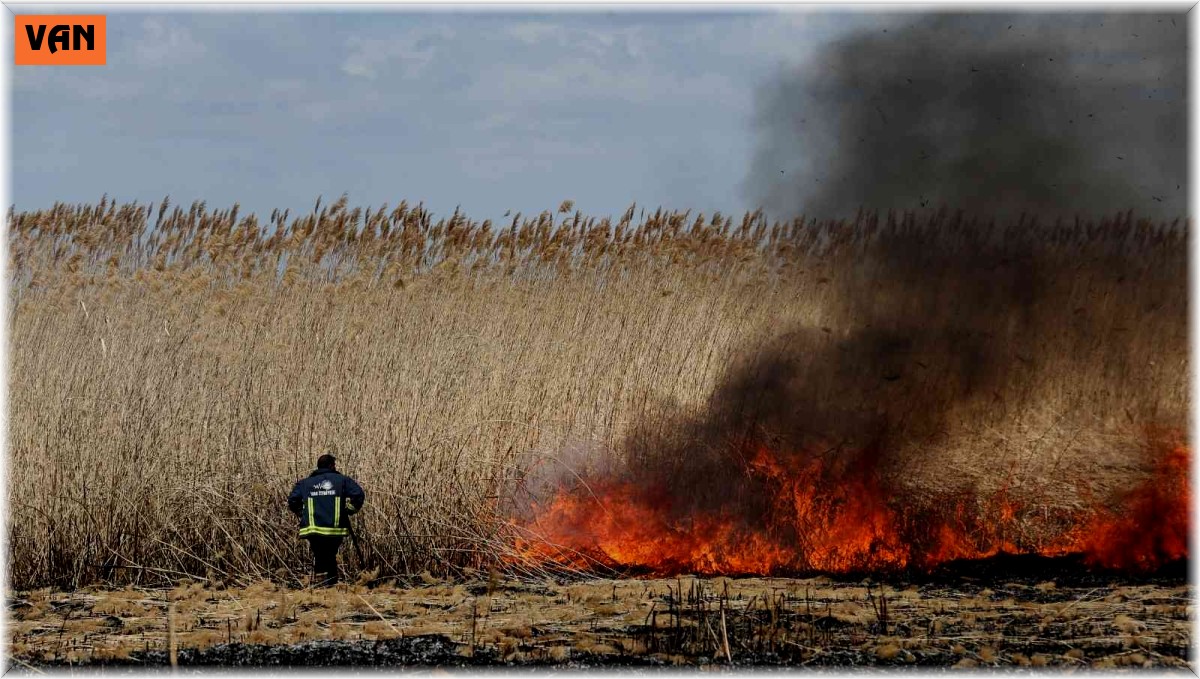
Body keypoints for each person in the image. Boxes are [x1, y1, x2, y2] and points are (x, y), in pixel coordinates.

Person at [287, 453, 365, 587]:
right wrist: (349, 510)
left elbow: (292, 500)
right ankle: (329, 586)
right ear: (332, 466)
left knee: (320, 556)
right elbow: (358, 495)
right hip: (334, 529)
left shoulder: (305, 483)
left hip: (313, 529)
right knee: (329, 556)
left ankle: (322, 586)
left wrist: (302, 513)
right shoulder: (341, 480)